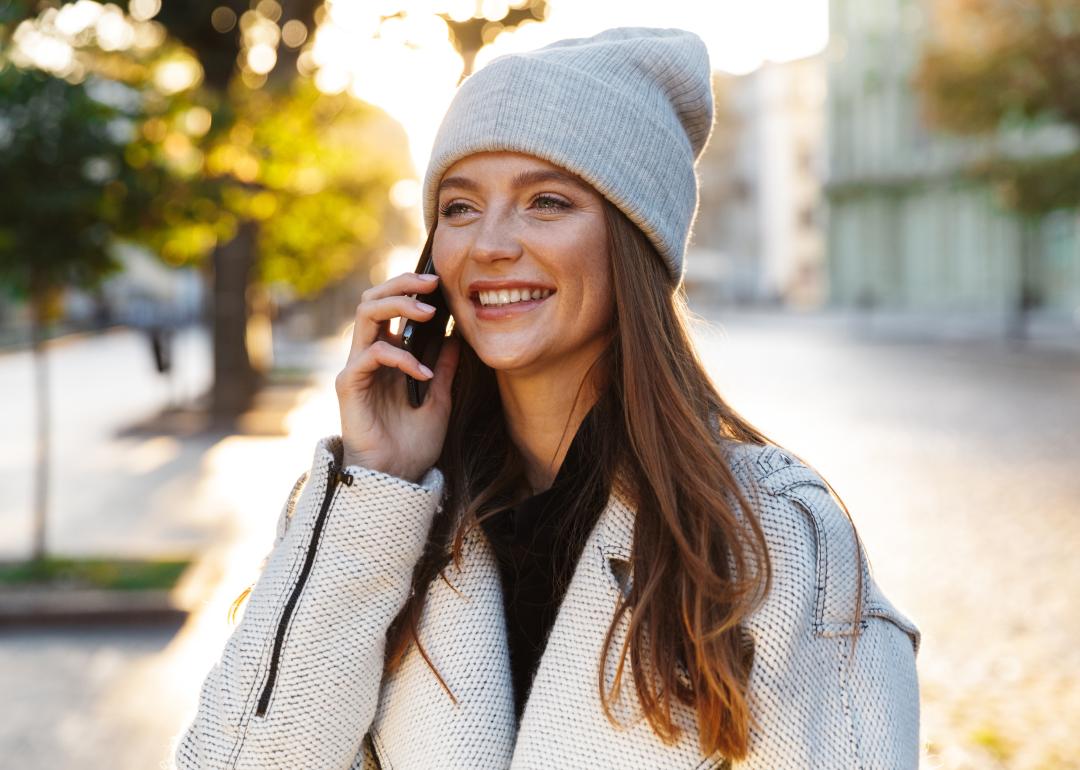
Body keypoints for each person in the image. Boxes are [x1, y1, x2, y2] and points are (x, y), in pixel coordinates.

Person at [172, 27, 921, 769]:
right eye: (460, 208)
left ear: (634, 241)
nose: (490, 243)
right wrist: (380, 490)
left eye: (547, 202)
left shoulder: (775, 537)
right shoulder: (373, 508)